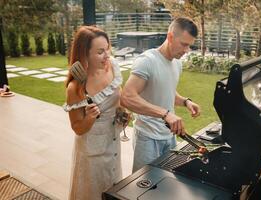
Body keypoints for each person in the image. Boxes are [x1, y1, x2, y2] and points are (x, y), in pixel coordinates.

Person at [121, 17, 201, 172]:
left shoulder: (177, 63)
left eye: (189, 46)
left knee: (166, 184)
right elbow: (127, 97)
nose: (186, 51)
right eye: (184, 44)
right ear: (170, 36)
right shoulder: (147, 61)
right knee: (143, 188)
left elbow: (167, 91)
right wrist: (165, 114)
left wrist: (186, 102)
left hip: (169, 137)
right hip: (147, 137)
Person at [63, 26, 126, 200]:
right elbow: (77, 128)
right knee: (93, 193)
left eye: (107, 49)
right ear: (84, 54)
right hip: (92, 152)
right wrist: (90, 117)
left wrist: (122, 111)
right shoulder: (75, 87)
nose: (107, 56)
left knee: (113, 187)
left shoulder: (111, 66)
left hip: (113, 141)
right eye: (100, 52)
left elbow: (117, 95)